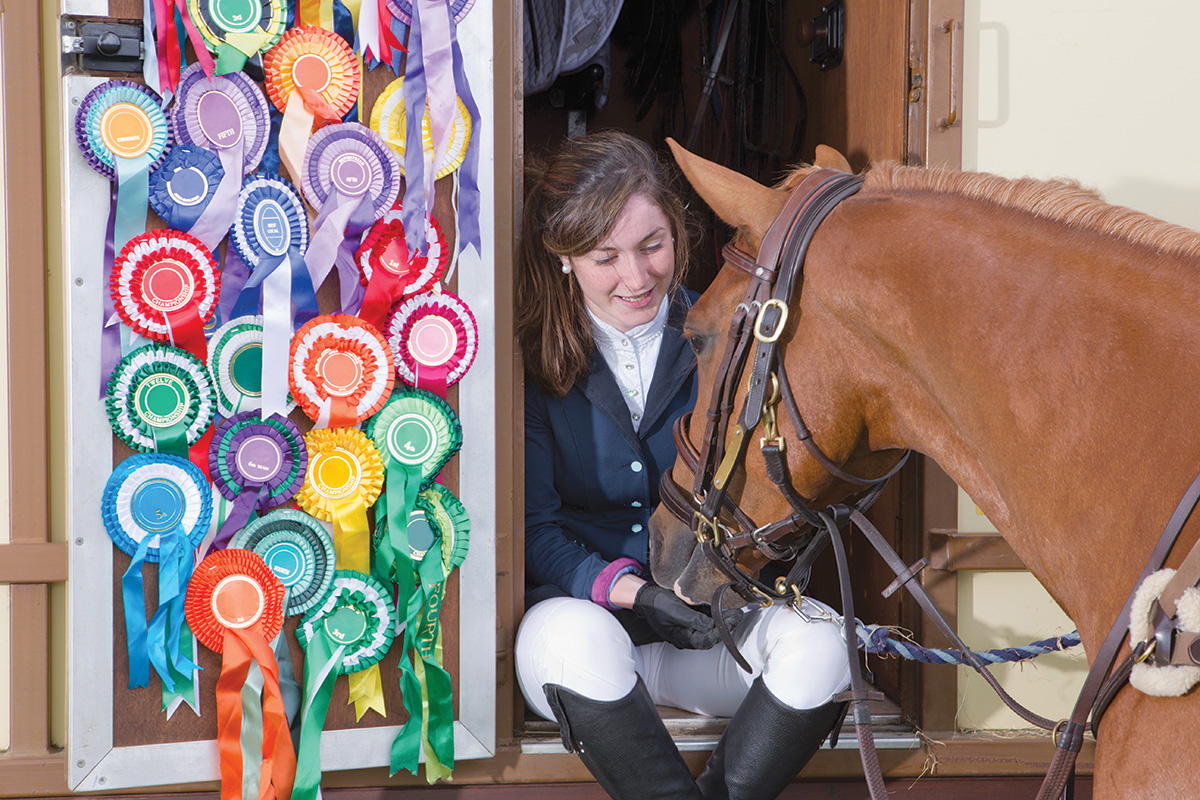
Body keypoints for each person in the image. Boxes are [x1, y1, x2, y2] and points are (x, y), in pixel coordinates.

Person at [514, 130, 852, 800]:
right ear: (563, 259)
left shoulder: (741, 339)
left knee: (830, 645)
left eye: (652, 245)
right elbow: (536, 531)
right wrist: (637, 594)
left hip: (711, 634)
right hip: (587, 640)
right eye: (604, 257)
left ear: (679, 233)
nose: (637, 278)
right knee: (570, 638)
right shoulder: (528, 361)